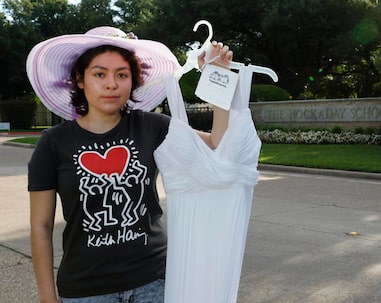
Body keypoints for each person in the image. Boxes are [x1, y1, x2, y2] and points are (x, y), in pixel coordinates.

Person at [26, 26, 233, 303]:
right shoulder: (53, 143)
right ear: (80, 79)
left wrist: (218, 75)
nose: (112, 84)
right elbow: (41, 225)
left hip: (154, 282)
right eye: (99, 74)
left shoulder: (152, 126)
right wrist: (46, 296)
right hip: (86, 290)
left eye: (121, 74)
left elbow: (216, 143)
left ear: (132, 81)